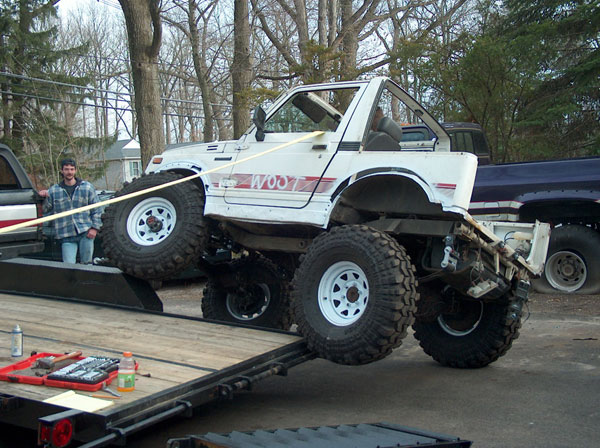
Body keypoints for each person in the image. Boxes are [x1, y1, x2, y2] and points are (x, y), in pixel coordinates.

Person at [38, 158, 102, 264]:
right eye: (66, 169)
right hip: (66, 234)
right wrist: (42, 197)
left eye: (72, 169)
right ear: (62, 171)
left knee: (87, 264)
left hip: (85, 232)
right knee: (68, 265)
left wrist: (95, 228)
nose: (69, 172)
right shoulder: (54, 190)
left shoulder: (87, 187)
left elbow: (97, 209)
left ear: (75, 170)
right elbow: (45, 210)